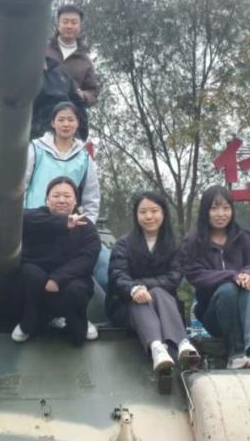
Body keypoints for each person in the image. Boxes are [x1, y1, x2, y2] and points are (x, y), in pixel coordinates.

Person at [183, 185, 250, 369]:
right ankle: (237, 354)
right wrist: (233, 276)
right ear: (205, 211)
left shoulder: (247, 238)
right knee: (228, 290)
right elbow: (195, 275)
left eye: (226, 208)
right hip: (217, 316)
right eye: (214, 208)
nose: (221, 214)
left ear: (232, 210)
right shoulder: (194, 242)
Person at [108, 192, 200, 374]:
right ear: (136, 215)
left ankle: (183, 344)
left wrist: (143, 286)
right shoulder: (123, 245)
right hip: (126, 305)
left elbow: (174, 278)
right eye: (143, 212)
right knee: (141, 297)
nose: (149, 216)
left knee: (157, 292)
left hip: (164, 306)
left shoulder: (173, 245)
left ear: (163, 213)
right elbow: (118, 276)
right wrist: (134, 289)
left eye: (154, 211)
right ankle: (157, 348)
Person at [13, 177, 101, 346]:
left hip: (70, 278)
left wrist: (57, 278)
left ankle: (78, 322)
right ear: (47, 199)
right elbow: (21, 217)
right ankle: (28, 324)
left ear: (75, 201)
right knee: (30, 275)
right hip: (37, 278)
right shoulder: (35, 217)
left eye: (67, 196)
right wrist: (63, 223)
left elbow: (88, 257)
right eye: (56, 196)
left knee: (76, 290)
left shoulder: (86, 225)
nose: (61, 200)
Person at [23, 101, 101, 223]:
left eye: (70, 120)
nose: (66, 124)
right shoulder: (35, 149)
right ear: (53, 123)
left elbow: (91, 198)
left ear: (77, 123)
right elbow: (21, 186)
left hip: (67, 224)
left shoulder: (85, 158)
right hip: (34, 220)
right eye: (61, 120)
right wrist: (20, 219)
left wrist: (88, 224)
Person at [46, 4, 100, 108]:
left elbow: (93, 91)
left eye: (74, 22)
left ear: (80, 26)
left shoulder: (85, 61)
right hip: (41, 112)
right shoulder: (43, 51)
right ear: (57, 25)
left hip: (70, 114)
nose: (69, 26)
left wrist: (84, 95)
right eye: (65, 22)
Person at [32, 56, 89, 140]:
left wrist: (82, 132)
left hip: (69, 134)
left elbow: (78, 100)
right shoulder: (23, 72)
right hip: (39, 133)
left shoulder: (60, 71)